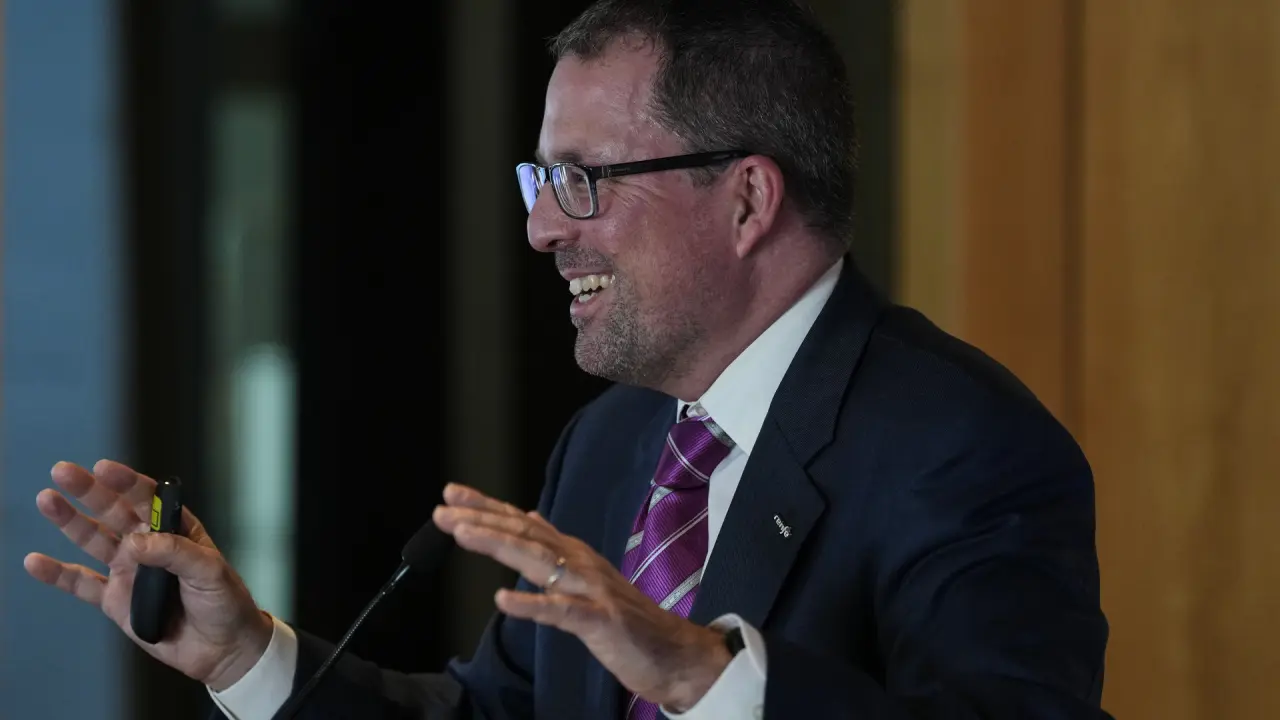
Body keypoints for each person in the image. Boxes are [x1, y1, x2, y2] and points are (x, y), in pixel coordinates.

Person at [25, 1, 1113, 718]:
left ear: (746, 200)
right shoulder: (613, 441)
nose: (544, 229)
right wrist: (243, 655)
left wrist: (704, 676)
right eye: (539, 181)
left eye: (583, 180)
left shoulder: (965, 449)